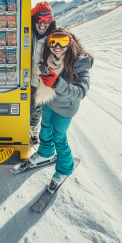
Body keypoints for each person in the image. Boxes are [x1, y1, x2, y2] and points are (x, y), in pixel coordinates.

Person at [27, 27, 93, 191]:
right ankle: (45, 152)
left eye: (63, 41)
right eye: (53, 41)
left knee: (59, 136)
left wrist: (57, 83)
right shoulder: (50, 57)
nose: (57, 46)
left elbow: (80, 92)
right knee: (45, 129)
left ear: (71, 42)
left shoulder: (80, 62)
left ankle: (65, 167)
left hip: (65, 108)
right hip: (49, 101)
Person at [30, 1, 57, 145]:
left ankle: (33, 129)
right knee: (26, 106)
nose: (42, 23)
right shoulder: (28, 33)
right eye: (38, 18)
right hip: (26, 80)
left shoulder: (54, 37)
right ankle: (22, 128)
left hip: (41, 82)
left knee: (38, 109)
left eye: (46, 19)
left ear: (51, 20)